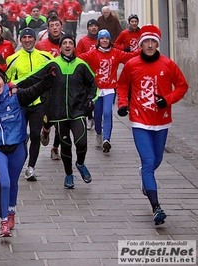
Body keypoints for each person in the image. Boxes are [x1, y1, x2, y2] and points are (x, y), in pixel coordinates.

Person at [117, 24, 188, 225]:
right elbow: (122, 85)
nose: (149, 45)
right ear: (141, 44)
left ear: (157, 43)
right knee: (149, 162)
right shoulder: (132, 64)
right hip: (139, 121)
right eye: (146, 41)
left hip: (162, 121)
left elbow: (182, 86)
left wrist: (167, 99)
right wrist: (123, 104)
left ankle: (144, 175)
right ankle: (156, 207)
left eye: (153, 41)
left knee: (156, 161)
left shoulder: (168, 64)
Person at [16, 33, 98, 189]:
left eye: (70, 43)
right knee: (65, 146)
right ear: (60, 47)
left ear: (74, 46)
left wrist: (90, 100)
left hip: (77, 111)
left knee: (81, 143)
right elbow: (34, 77)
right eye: (64, 43)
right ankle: (68, 175)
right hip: (59, 113)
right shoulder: (53, 65)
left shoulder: (81, 65)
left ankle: (80, 163)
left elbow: (93, 85)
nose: (67, 45)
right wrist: (14, 85)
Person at [0, 68, 54, 237]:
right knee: (4, 182)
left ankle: (11, 212)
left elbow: (37, 88)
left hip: (18, 147)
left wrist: (49, 77)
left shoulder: (18, 95)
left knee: (13, 182)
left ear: (4, 80)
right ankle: (3, 222)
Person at [78, 29, 139, 153]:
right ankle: (99, 134)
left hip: (110, 88)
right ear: (98, 40)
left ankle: (107, 140)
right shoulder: (92, 53)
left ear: (110, 40)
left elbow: (129, 57)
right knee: (98, 115)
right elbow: (78, 59)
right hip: (96, 90)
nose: (104, 40)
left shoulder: (116, 53)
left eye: (107, 38)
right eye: (102, 38)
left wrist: (143, 49)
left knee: (107, 113)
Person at [6, 28, 54, 181]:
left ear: (35, 39)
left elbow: (53, 77)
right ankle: (19, 162)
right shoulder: (12, 59)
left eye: (30, 37)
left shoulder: (46, 57)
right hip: (20, 103)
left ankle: (31, 167)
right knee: (20, 137)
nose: (27, 40)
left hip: (39, 103)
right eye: (24, 37)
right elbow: (7, 82)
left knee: (34, 134)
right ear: (20, 40)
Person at [35, 15, 63, 160]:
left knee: (61, 119)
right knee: (48, 117)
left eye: (57, 25)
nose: (54, 28)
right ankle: (45, 130)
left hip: (63, 86)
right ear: (48, 28)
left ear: (61, 27)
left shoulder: (67, 42)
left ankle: (55, 148)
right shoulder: (41, 45)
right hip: (47, 87)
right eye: (51, 25)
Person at [75, 18, 99, 131]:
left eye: (95, 26)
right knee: (87, 97)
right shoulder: (83, 41)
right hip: (86, 73)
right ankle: (90, 117)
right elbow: (78, 55)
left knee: (99, 99)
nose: (93, 28)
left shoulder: (102, 40)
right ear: (88, 28)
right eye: (91, 26)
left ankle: (98, 118)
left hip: (100, 73)